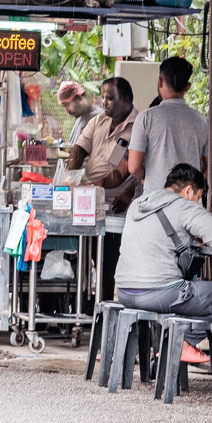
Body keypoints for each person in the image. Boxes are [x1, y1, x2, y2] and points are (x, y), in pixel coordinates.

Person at [116, 163, 212, 364]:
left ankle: (177, 341)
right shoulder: (182, 205)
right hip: (161, 292)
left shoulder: (138, 204)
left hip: (125, 292)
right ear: (188, 191)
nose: (198, 203)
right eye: (198, 197)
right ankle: (184, 342)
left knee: (192, 302)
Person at [68, 77, 139, 299]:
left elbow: (133, 170)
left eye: (110, 98)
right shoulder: (97, 121)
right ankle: (86, 303)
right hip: (89, 200)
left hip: (119, 204)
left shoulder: (139, 126)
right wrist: (70, 178)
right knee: (82, 255)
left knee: (108, 261)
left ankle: (105, 305)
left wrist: (129, 192)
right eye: (104, 97)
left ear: (126, 100)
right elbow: (79, 150)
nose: (105, 102)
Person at [128, 56, 212, 191]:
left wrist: (151, 177)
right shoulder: (203, 122)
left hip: (156, 203)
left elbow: (134, 167)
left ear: (160, 82)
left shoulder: (145, 118)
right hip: (189, 204)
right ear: (187, 87)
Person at [57, 81, 103, 145]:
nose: (67, 111)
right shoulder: (80, 118)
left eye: (67, 105)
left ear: (78, 98)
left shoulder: (100, 119)